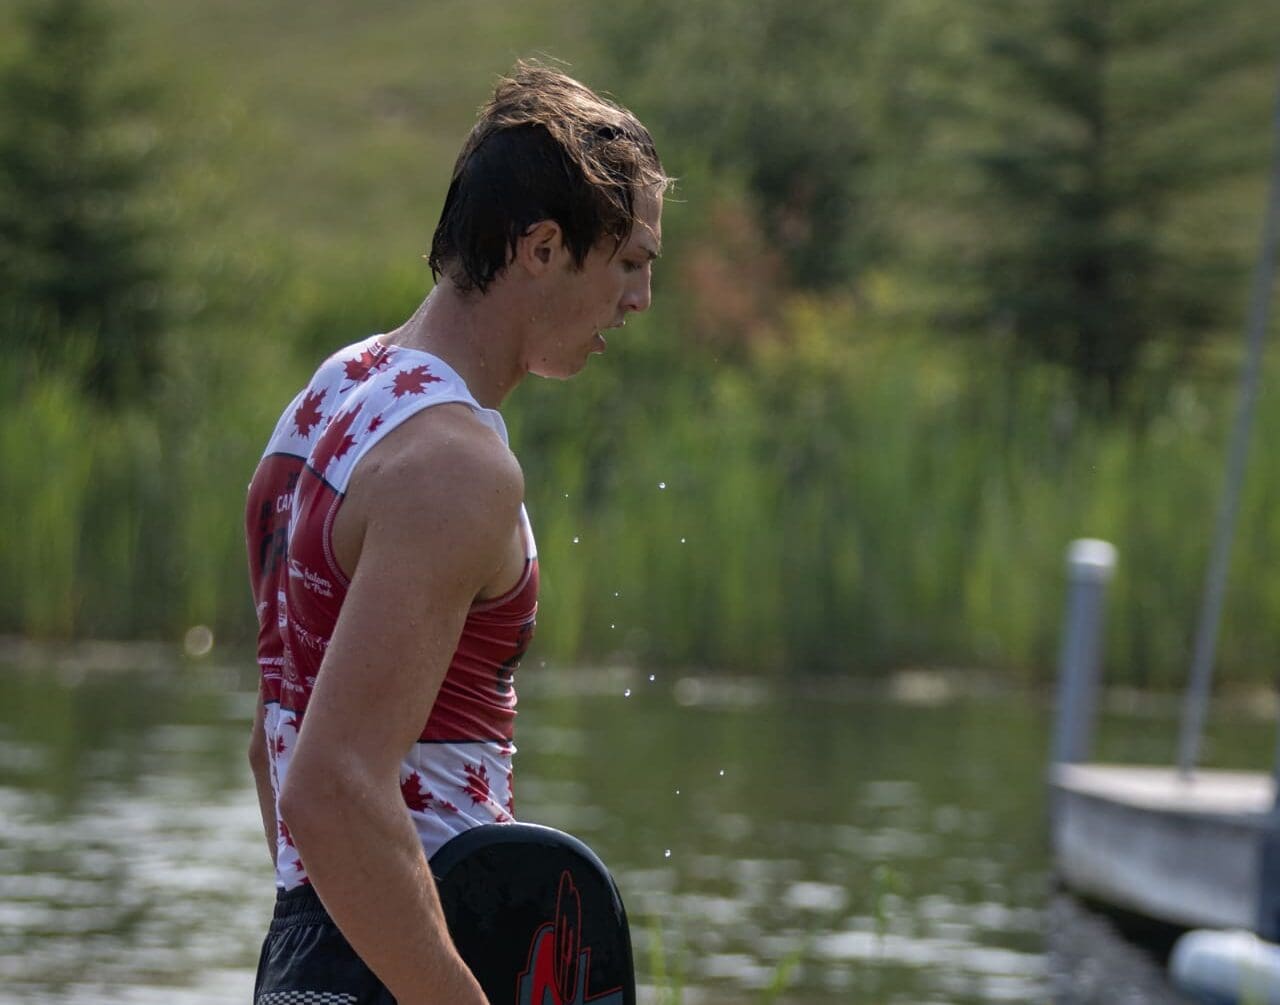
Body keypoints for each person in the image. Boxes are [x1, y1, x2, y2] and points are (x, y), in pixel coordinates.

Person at [243, 61, 666, 1004]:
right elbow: (333, 781)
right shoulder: (458, 467)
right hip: (416, 953)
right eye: (631, 263)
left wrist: (323, 949)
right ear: (543, 248)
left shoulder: (326, 403)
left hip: (311, 946)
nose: (639, 302)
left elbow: (273, 739)